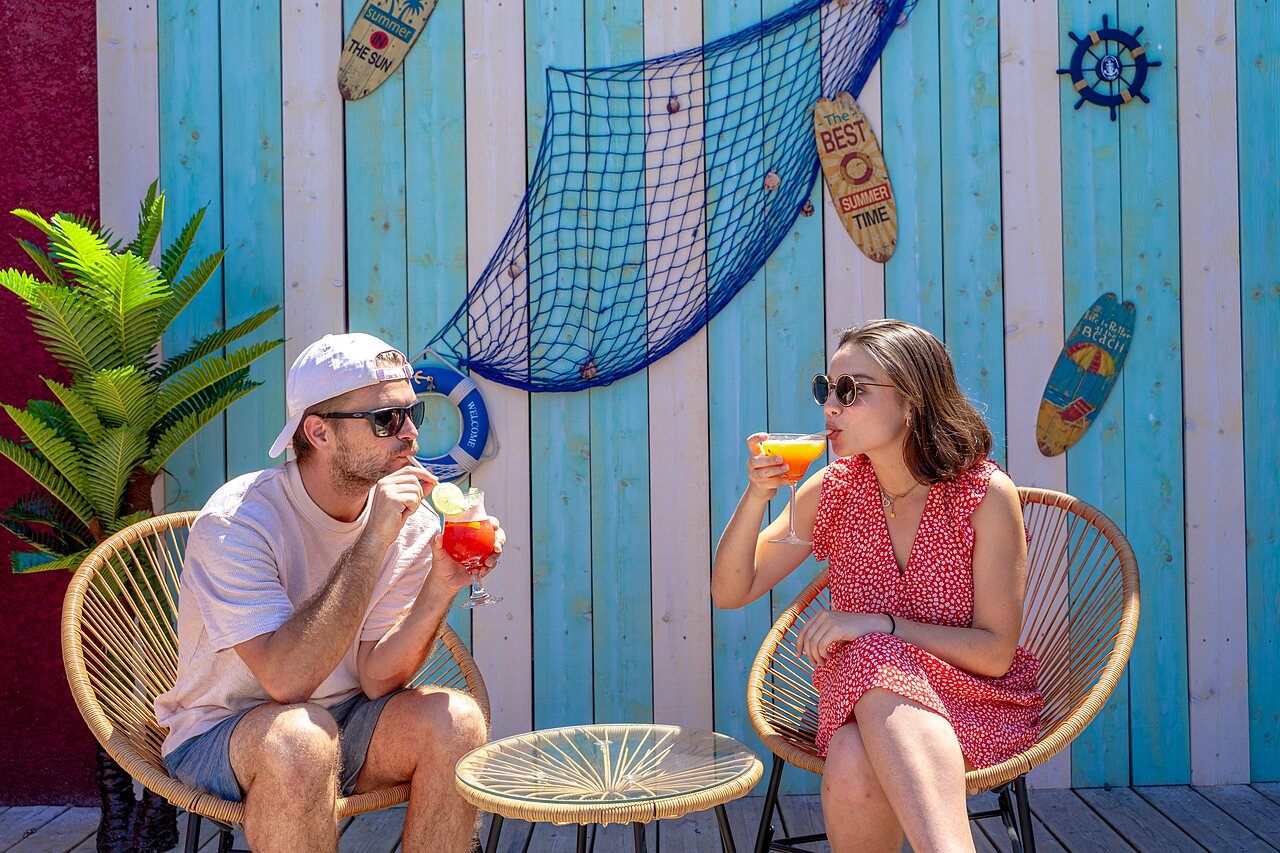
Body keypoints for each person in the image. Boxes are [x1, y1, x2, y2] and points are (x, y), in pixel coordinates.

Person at [155, 333, 503, 853]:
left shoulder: (412, 524)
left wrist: (441, 585)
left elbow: (377, 677)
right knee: (301, 738)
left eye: (413, 413)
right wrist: (373, 539)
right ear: (318, 431)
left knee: (456, 721)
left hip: (345, 720)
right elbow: (287, 681)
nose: (410, 433)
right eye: (386, 419)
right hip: (224, 731)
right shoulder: (239, 520)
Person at [712, 319, 1041, 853]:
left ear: (911, 401)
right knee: (862, 690)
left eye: (851, 391)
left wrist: (878, 626)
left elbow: (996, 652)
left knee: (853, 736)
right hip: (860, 699)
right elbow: (730, 591)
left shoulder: (984, 494)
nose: (830, 407)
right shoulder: (836, 490)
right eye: (826, 388)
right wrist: (757, 496)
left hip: (972, 703)